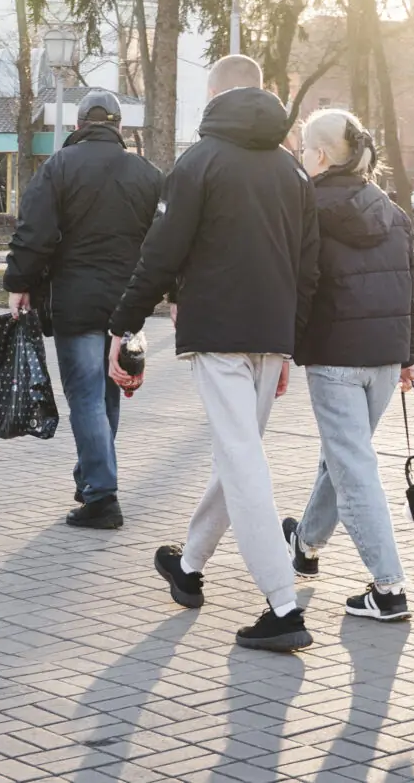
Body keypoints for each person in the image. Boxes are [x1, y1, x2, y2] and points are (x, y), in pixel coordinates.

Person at [107, 55, 321, 653]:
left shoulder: (198, 162)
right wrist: (288, 342)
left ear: (216, 96)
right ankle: (191, 565)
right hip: (269, 336)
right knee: (239, 454)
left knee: (242, 462)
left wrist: (123, 324)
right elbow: (310, 267)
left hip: (219, 333)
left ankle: (283, 606)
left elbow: (162, 251)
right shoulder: (294, 172)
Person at [3, 87, 163, 529]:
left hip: (75, 299)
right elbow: (165, 239)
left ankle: (101, 496)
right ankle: (92, 478)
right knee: (108, 391)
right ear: (118, 126)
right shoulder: (147, 174)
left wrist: (19, 282)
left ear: (77, 125)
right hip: (128, 302)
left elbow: (34, 231)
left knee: (88, 395)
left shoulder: (59, 168)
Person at [282, 109, 414, 622]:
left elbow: (300, 285)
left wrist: (287, 346)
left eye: (303, 152)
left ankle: (389, 589)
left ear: (318, 156)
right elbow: (410, 284)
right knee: (342, 459)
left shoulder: (306, 208)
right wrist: (408, 355)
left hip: (335, 357)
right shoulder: (391, 209)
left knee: (354, 467)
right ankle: (306, 544)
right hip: (384, 358)